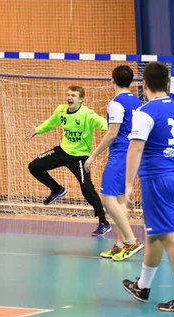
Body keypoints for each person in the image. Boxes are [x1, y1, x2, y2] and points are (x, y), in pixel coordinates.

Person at [121, 62, 174, 312]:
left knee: (169, 236)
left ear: (144, 85)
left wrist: (128, 185)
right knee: (154, 233)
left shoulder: (145, 112)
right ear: (167, 84)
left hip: (157, 179)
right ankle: (142, 287)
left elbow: (135, 148)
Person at [27, 86, 111, 236]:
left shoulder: (88, 115)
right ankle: (56, 189)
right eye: (68, 95)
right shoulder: (61, 110)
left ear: (81, 99)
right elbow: (51, 122)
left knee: (87, 189)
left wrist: (122, 127)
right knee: (34, 166)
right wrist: (37, 130)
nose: (69, 98)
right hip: (62, 151)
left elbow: (106, 125)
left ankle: (103, 222)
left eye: (73, 95)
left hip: (79, 157)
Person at [84, 66, 144, 260]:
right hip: (132, 153)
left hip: (120, 154)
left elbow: (112, 133)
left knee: (107, 198)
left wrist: (93, 155)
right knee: (119, 200)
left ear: (112, 81)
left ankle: (131, 240)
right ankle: (120, 245)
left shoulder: (116, 103)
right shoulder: (137, 101)